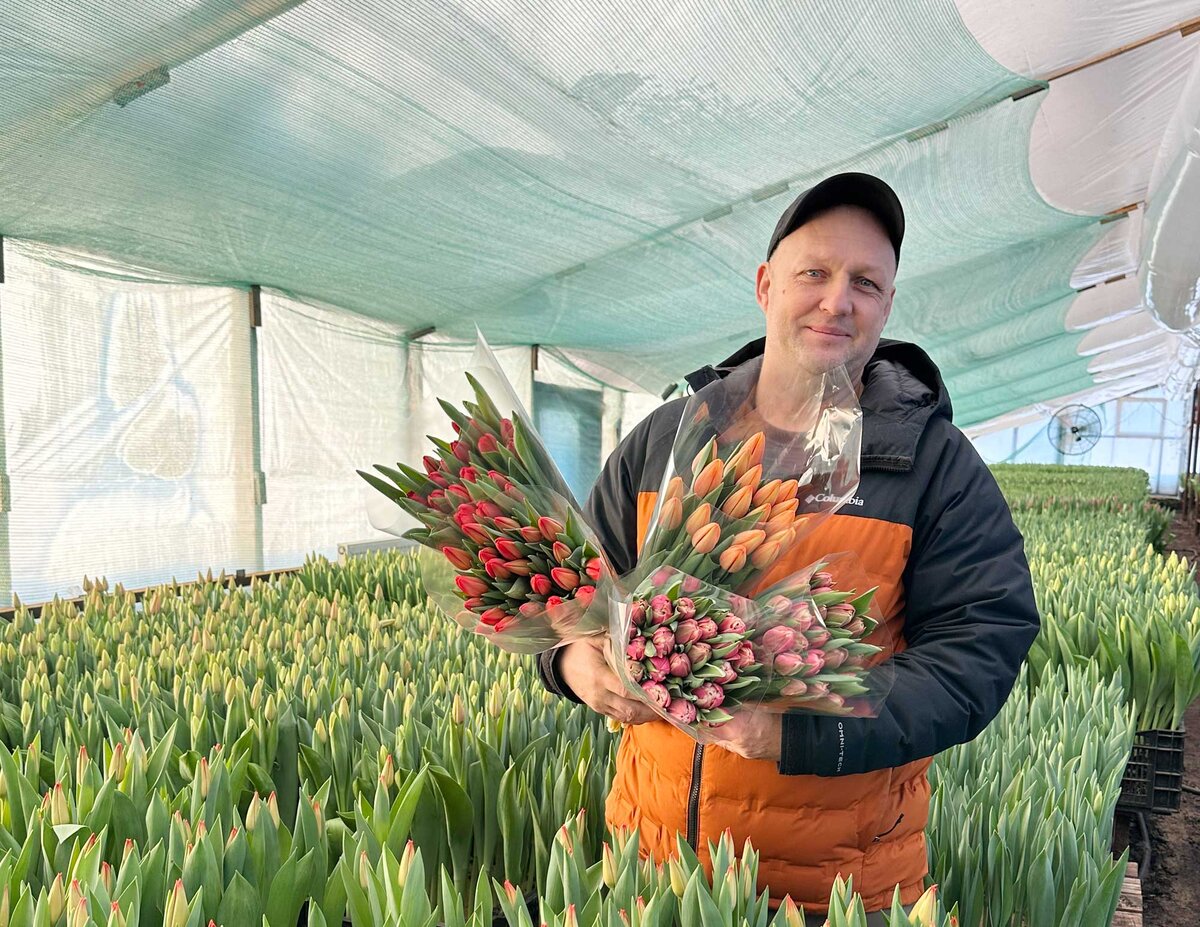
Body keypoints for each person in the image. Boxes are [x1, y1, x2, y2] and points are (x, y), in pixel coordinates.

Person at [537, 172, 1040, 924]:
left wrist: (797, 730)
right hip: (650, 868)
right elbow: (570, 591)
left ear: (888, 304)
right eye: (815, 272)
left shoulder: (933, 464)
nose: (838, 299)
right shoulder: (668, 438)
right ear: (767, 284)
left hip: (835, 885)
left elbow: (980, 650)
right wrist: (571, 662)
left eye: (865, 282)